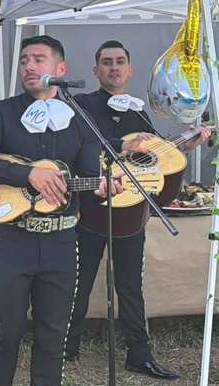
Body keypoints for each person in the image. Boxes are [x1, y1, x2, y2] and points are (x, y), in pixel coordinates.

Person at [0, 35, 122, 386]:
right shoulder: (1, 112)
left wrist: (100, 187)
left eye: (38, 59)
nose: (29, 66)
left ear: (60, 69)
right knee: (5, 334)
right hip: (13, 239)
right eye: (24, 60)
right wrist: (28, 174)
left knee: (53, 337)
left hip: (62, 241)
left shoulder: (81, 120)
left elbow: (86, 178)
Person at [65, 40, 211, 380]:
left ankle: (139, 354)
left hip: (130, 215)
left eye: (120, 62)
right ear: (95, 70)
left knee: (130, 286)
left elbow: (158, 155)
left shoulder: (138, 111)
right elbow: (79, 143)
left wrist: (184, 146)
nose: (114, 67)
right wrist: (119, 145)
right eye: (106, 62)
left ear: (130, 69)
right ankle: (65, 347)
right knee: (79, 283)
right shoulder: (82, 105)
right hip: (92, 211)